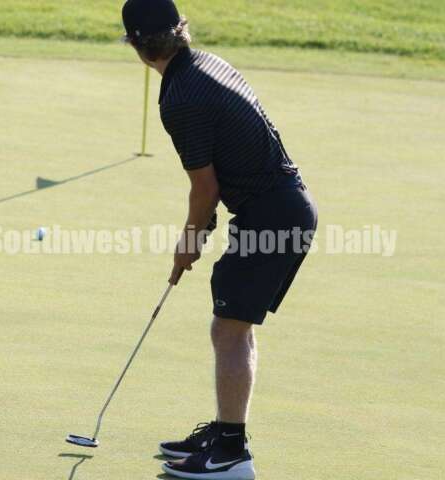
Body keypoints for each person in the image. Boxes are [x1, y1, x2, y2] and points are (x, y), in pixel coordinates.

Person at [122, 0, 318, 478]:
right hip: (284, 208)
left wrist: (190, 238)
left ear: (138, 47)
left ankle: (231, 453)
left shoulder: (180, 98)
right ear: (179, 31)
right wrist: (204, 226)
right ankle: (226, 432)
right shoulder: (206, 62)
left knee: (227, 329)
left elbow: (204, 187)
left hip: (271, 216)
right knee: (234, 326)